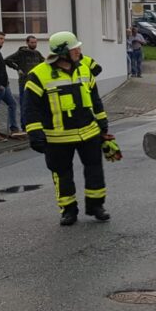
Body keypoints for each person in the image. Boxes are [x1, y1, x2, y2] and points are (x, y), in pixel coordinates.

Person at [22, 31, 113, 225]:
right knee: (62, 174)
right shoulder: (38, 75)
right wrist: (35, 134)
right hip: (57, 137)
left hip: (89, 132)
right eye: (75, 48)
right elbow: (31, 108)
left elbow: (95, 100)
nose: (79, 50)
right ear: (63, 52)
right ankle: (68, 210)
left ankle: (96, 206)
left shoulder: (84, 70)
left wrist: (102, 124)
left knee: (95, 170)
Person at [5, 35, 45, 103]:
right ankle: (23, 113)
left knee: (35, 102)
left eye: (35, 42)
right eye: (32, 42)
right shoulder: (21, 53)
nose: (34, 44)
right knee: (24, 101)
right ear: (27, 43)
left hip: (35, 81)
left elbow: (44, 63)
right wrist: (17, 68)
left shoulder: (37, 53)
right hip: (24, 81)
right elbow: (7, 60)